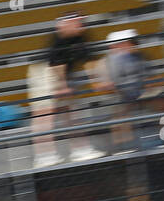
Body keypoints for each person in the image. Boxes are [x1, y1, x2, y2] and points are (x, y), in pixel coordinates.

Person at [26, 13, 105, 168]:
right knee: (44, 115)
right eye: (76, 23)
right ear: (64, 24)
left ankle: (80, 150)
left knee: (72, 113)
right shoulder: (58, 38)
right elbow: (56, 64)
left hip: (65, 73)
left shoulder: (81, 37)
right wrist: (62, 86)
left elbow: (89, 60)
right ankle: (44, 156)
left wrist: (98, 81)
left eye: (80, 23)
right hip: (45, 72)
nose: (80, 25)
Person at [95, 28, 155, 153]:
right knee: (120, 109)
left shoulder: (140, 57)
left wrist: (148, 87)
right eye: (128, 43)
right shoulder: (105, 62)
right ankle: (124, 147)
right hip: (120, 96)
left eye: (131, 43)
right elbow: (102, 84)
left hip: (141, 93)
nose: (132, 46)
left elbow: (148, 75)